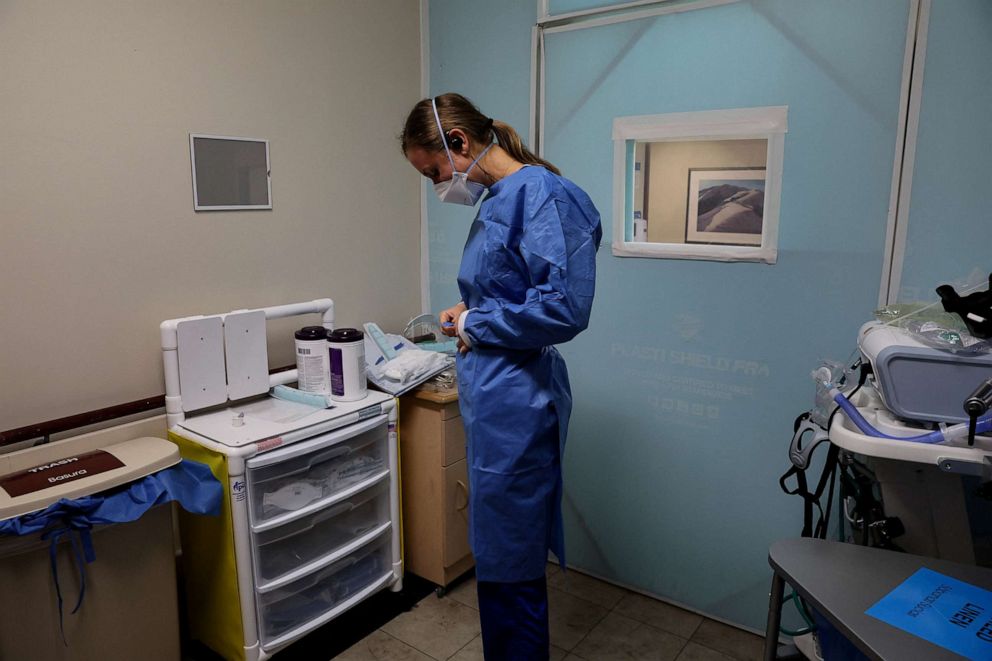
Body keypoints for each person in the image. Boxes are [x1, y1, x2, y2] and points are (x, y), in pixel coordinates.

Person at [401, 92, 602, 660]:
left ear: (459, 142)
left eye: (434, 170)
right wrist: (465, 315)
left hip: (517, 403)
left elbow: (563, 307)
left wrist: (477, 320)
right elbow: (507, 294)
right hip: (496, 397)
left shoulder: (540, 194)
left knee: (510, 562)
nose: (438, 184)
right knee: (499, 555)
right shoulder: (499, 199)